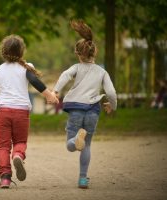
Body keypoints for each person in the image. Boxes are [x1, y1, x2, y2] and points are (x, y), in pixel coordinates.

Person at [0, 34, 58, 189]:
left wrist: (3, 96)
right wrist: (49, 95)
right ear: (21, 52)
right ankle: (18, 155)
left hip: (3, 111)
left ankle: (5, 178)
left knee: (3, 146)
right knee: (20, 142)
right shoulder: (26, 67)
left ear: (3, 52)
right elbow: (35, 81)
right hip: (21, 112)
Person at [52, 20, 117, 189]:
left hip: (76, 109)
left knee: (70, 145)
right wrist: (112, 105)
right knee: (87, 145)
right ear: (94, 53)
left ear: (78, 53)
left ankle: (75, 138)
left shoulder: (76, 67)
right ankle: (82, 179)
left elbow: (65, 75)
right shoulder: (102, 72)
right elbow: (111, 92)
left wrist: (56, 91)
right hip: (93, 110)